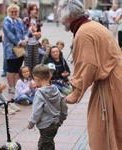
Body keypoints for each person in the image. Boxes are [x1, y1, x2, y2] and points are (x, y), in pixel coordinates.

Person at [58, 0, 122, 149]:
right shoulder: (92, 25)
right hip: (115, 77)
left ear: (70, 16)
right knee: (116, 125)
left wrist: (76, 92)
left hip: (110, 83)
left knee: (101, 128)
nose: (61, 21)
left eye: (62, 17)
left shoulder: (83, 32)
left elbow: (88, 64)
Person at [27, 64, 68, 150]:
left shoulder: (39, 93)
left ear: (36, 78)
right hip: (55, 123)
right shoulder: (56, 89)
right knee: (44, 143)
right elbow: (64, 105)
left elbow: (36, 112)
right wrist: (62, 118)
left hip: (45, 125)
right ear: (50, 76)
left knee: (47, 145)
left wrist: (31, 123)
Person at [2, 4, 28, 94]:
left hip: (21, 49)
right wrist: (19, 42)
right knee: (11, 68)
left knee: (17, 68)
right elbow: (9, 34)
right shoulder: (6, 20)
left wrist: (25, 39)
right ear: (9, 12)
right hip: (11, 49)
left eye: (15, 11)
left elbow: (25, 31)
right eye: (12, 11)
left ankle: (16, 86)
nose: (14, 13)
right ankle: (11, 87)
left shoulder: (20, 21)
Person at [23, 4, 42, 74]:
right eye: (33, 9)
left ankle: (34, 79)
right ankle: (27, 79)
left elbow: (39, 32)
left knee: (36, 62)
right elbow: (24, 32)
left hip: (36, 43)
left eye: (36, 9)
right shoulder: (26, 19)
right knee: (28, 63)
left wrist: (39, 35)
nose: (34, 11)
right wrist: (32, 34)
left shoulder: (37, 20)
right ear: (29, 10)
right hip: (28, 44)